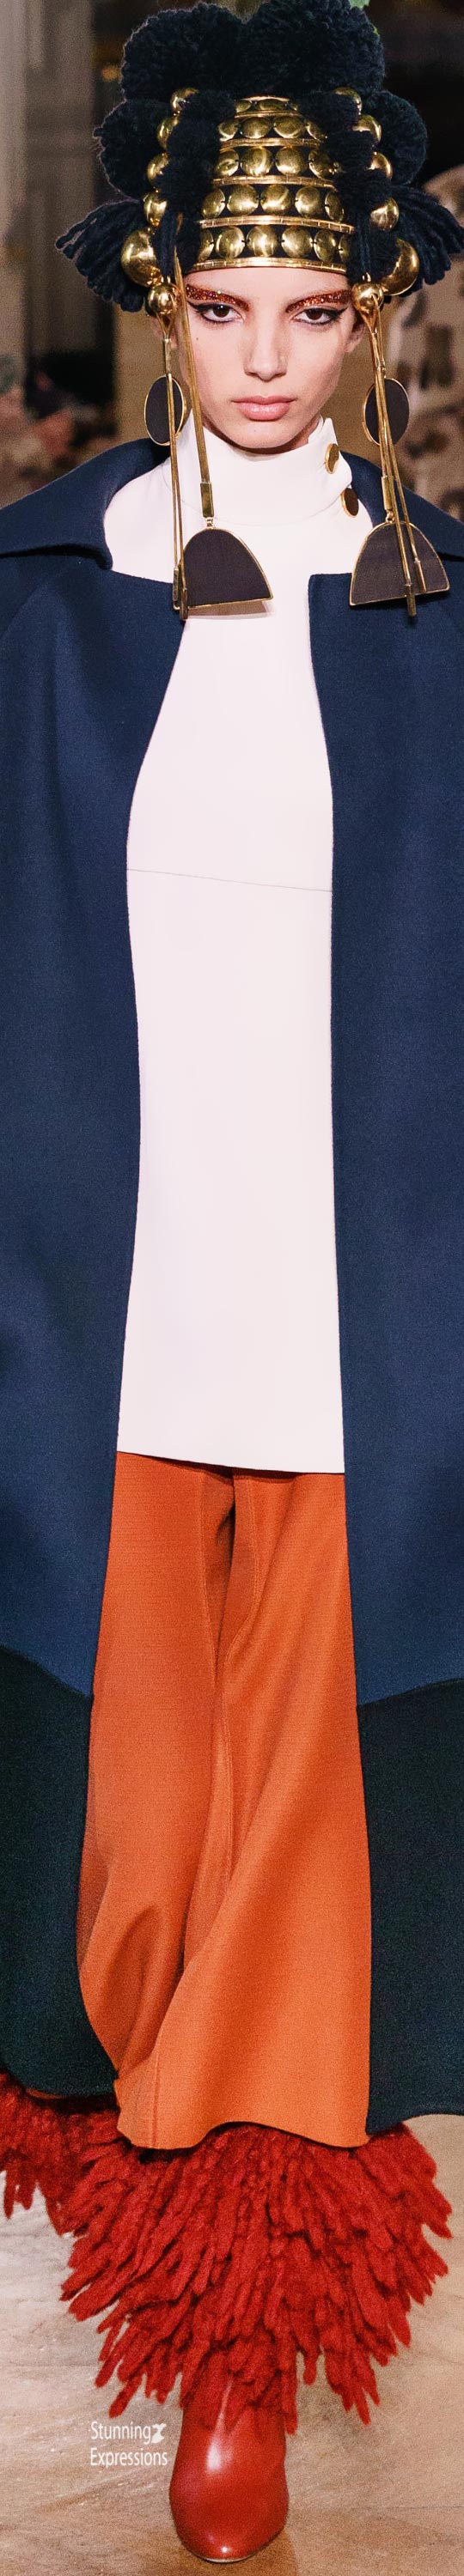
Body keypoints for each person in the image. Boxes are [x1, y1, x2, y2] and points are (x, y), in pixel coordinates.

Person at [0, 0, 464, 2559]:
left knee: (305, 1877)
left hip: (362, 1337)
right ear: (159, 307)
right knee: (131, 1850)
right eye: (220, 308)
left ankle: (243, 2344)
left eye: (311, 311)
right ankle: (141, 2214)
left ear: (367, 312)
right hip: (93, 1328)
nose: (266, 359)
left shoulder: (441, 615)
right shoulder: (37, 600)